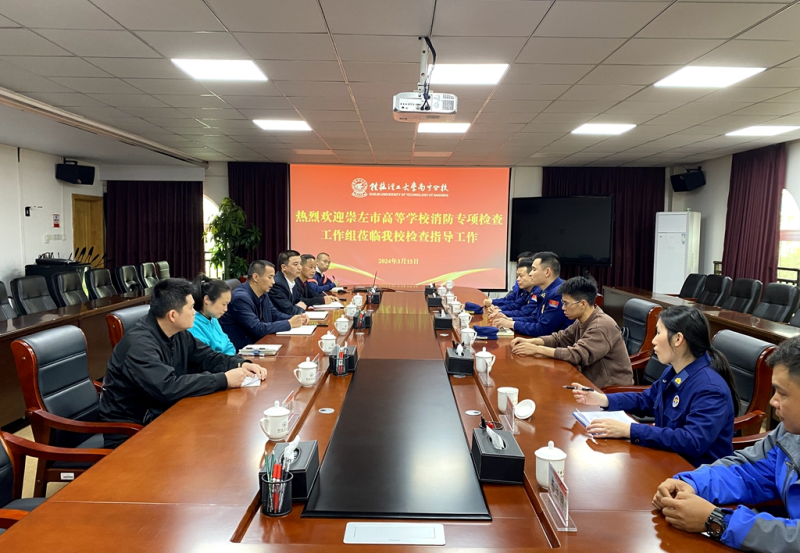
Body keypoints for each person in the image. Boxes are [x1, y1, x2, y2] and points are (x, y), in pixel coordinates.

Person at [652, 336, 800, 552]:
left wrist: (717, 522)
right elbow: (747, 471)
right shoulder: (789, 434)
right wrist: (691, 483)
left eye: (782, 393)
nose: (773, 401)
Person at [98, 278, 267, 448]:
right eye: (191, 308)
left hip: (165, 415)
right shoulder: (139, 344)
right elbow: (167, 387)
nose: (195, 312)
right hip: (132, 431)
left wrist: (240, 363)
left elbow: (207, 356)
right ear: (173, 315)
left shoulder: (177, 333)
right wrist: (224, 379)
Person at [571, 305, 738, 467]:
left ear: (678, 339)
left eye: (658, 333)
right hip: (667, 458)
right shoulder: (674, 372)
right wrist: (603, 399)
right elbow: (647, 400)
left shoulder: (710, 389)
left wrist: (629, 430)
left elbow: (692, 441)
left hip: (696, 474)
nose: (653, 341)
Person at [511, 275, 633, 388]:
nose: (563, 307)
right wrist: (532, 342)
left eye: (566, 304)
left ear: (583, 304)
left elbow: (577, 355)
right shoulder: (582, 320)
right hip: (588, 382)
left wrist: (537, 349)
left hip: (609, 389)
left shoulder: (600, 326)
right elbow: (560, 338)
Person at [220, 260, 307, 351]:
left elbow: (274, 315)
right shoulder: (241, 298)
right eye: (270, 277)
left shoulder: (263, 293)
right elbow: (257, 328)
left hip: (261, 343)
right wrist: (289, 323)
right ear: (256, 277)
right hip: (243, 349)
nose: (273, 282)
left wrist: (297, 318)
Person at [491, 252, 571, 337]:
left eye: (534, 269)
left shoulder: (558, 293)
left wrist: (512, 324)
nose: (530, 273)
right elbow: (533, 318)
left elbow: (543, 329)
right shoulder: (544, 291)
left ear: (547, 272)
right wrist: (509, 319)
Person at [188, 275, 236, 355]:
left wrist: (231, 359)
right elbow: (208, 357)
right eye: (224, 304)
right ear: (207, 300)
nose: (226, 309)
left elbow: (228, 345)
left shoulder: (213, 318)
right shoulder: (192, 325)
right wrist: (230, 360)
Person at [270, 250, 327, 315]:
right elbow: (289, 310)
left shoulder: (292, 281)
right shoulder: (277, 284)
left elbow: (300, 300)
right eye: (295, 264)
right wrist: (299, 308)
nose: (300, 268)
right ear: (284, 267)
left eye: (300, 264)